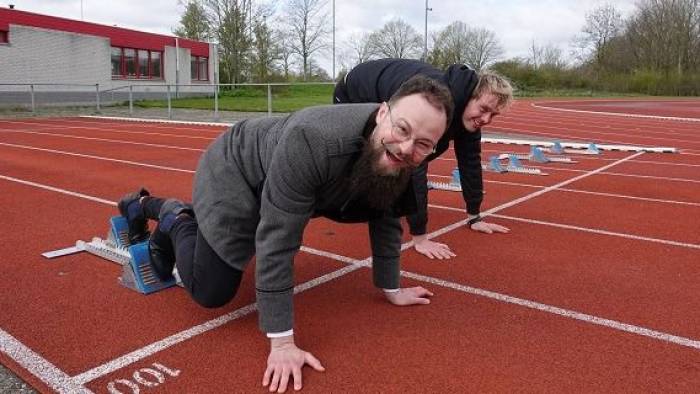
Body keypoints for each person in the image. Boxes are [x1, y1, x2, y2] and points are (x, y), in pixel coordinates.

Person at [117, 75, 454, 393]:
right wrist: (282, 342)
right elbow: (278, 240)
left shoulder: (409, 152)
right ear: (383, 112)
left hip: (282, 176)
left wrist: (391, 286)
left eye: (423, 144)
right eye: (402, 129)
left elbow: (387, 210)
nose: (407, 148)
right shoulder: (312, 139)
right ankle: (172, 215)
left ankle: (177, 218)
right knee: (212, 291)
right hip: (236, 171)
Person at [334, 59, 514, 260]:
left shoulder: (469, 118)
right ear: (469, 96)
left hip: (385, 83)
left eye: (493, 115)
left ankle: (376, 201)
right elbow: (415, 168)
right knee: (373, 148)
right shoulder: (434, 103)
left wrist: (475, 216)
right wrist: (420, 237)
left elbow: (470, 162)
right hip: (355, 90)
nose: (486, 119)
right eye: (483, 109)